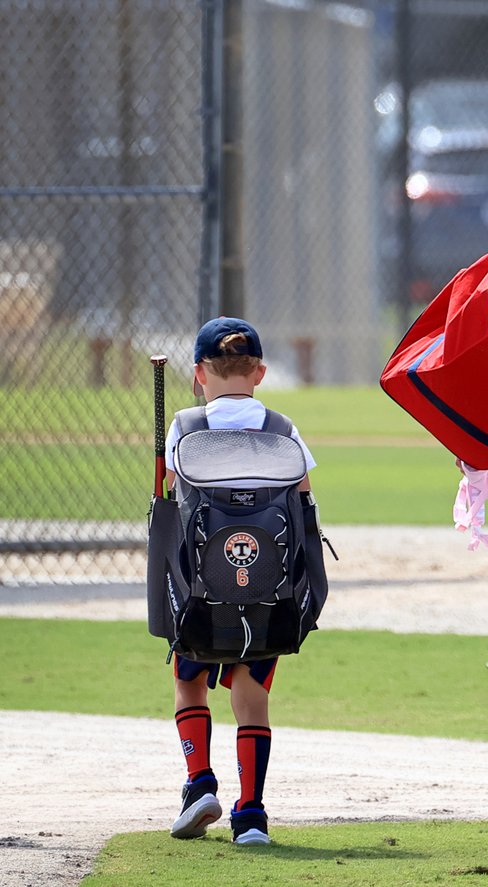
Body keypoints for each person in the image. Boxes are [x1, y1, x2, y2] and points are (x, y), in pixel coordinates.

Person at [163, 316, 317, 846]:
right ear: (260, 372)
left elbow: (169, 501)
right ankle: (250, 814)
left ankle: (199, 781)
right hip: (267, 596)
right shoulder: (282, 430)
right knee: (252, 695)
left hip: (201, 594)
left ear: (198, 374)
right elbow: (304, 506)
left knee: (189, 682)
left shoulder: (184, 426)